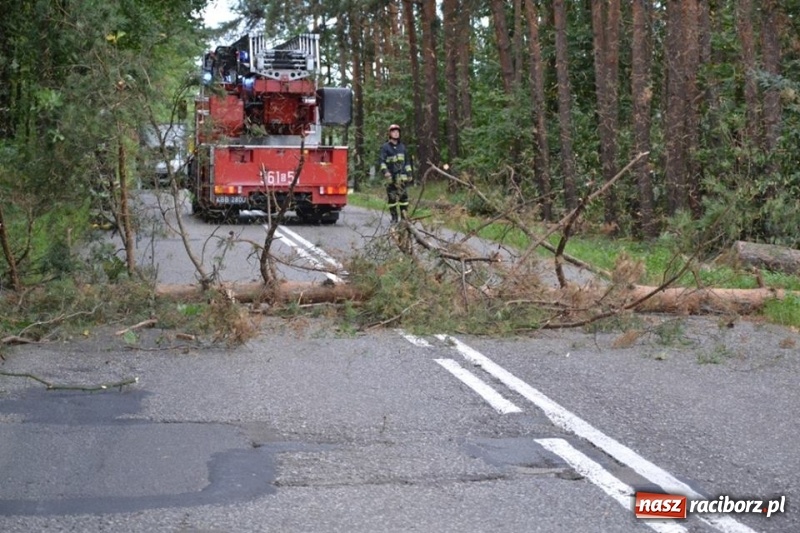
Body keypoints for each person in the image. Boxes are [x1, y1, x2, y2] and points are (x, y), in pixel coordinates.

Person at [378, 124, 413, 223]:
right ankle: (394, 218)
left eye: (397, 131)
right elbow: (382, 161)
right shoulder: (385, 147)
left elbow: (407, 162)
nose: (396, 133)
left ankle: (404, 219)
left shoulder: (402, 147)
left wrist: (409, 173)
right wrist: (385, 172)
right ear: (389, 133)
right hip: (391, 178)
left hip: (402, 178)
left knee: (404, 199)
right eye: (393, 131)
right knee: (392, 199)